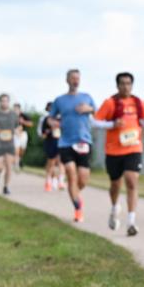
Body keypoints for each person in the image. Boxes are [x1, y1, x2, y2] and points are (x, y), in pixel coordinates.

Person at [95, 72, 144, 236]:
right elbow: (95, 121)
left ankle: (131, 222)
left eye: (128, 83)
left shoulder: (138, 102)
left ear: (132, 85)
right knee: (115, 185)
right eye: (122, 83)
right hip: (113, 150)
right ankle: (114, 208)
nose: (126, 86)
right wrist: (112, 124)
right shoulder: (110, 102)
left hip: (133, 148)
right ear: (117, 85)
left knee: (131, 181)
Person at [50, 69, 96, 222]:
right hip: (66, 142)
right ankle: (78, 208)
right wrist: (54, 123)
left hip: (83, 141)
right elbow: (50, 119)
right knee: (70, 172)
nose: (75, 81)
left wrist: (88, 109)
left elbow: (98, 112)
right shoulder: (59, 100)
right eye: (72, 78)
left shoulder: (86, 97)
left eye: (77, 78)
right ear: (67, 80)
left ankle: (75, 193)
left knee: (82, 179)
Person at [0, 93, 20, 195]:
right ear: (0, 102)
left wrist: (17, 131)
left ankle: (6, 187)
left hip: (10, 143)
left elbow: (18, 127)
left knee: (9, 166)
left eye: (6, 101)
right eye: (2, 101)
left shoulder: (13, 115)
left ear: (8, 102)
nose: (4, 103)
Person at [38, 102, 64, 191]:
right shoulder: (46, 119)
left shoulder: (62, 118)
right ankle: (48, 180)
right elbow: (43, 134)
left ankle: (59, 181)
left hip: (61, 142)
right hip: (50, 142)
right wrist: (49, 131)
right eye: (50, 108)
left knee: (60, 162)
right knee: (51, 162)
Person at [13, 103, 33, 169]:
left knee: (22, 150)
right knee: (16, 149)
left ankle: (20, 158)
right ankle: (16, 165)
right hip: (15, 134)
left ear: (19, 109)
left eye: (16, 109)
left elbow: (31, 124)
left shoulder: (24, 116)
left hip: (23, 134)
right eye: (14, 109)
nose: (15, 110)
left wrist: (23, 121)